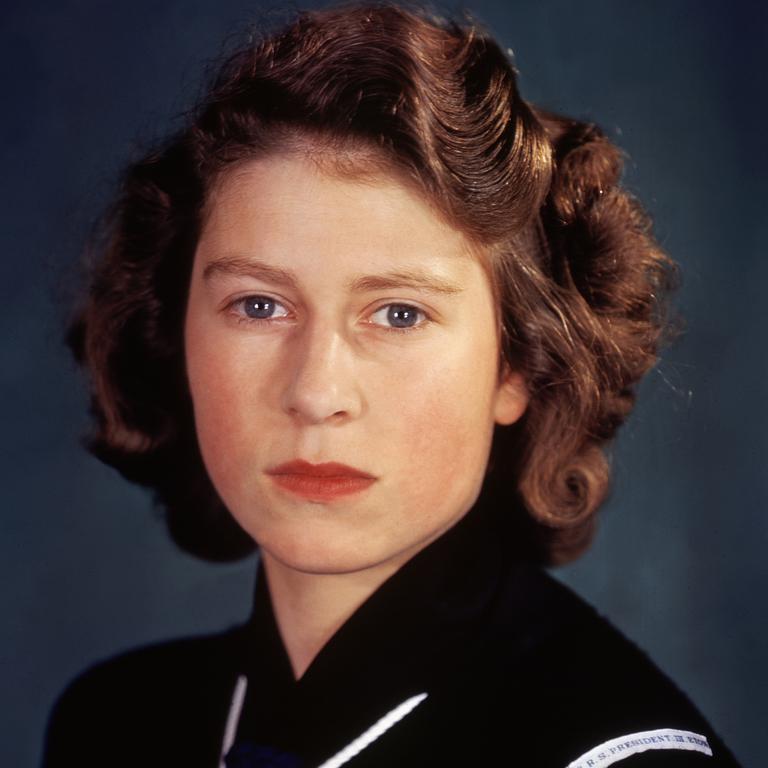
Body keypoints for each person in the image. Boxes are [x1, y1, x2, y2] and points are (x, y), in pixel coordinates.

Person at [41, 3, 741, 767]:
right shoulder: (112, 723)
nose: (316, 391)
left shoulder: (614, 756)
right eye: (260, 305)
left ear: (516, 364)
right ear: (174, 330)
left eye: (399, 313)